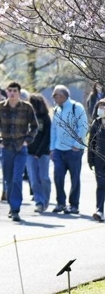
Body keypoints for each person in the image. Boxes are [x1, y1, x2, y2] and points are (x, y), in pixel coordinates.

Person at [0, 82, 38, 222]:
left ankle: (16, 209)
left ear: (19, 92)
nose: (12, 93)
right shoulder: (0, 107)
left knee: (17, 178)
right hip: (6, 148)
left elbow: (34, 126)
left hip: (20, 148)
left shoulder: (27, 107)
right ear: (6, 92)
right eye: (9, 90)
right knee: (9, 179)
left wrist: (27, 140)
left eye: (14, 91)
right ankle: (12, 206)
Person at [50, 85, 88, 214]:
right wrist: (52, 148)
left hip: (73, 151)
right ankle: (60, 203)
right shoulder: (56, 110)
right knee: (58, 177)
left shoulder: (76, 107)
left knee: (75, 178)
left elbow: (83, 127)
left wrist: (77, 145)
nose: (53, 98)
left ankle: (74, 205)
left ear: (61, 96)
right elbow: (54, 130)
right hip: (59, 150)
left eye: (55, 96)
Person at [26, 93, 52, 214]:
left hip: (43, 153)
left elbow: (47, 137)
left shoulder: (45, 118)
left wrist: (39, 152)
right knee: (34, 179)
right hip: (29, 153)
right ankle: (39, 202)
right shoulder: (27, 118)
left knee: (44, 177)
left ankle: (45, 200)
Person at [87, 98, 105, 222]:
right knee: (101, 185)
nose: (101, 109)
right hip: (99, 160)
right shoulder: (96, 123)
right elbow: (91, 143)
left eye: (103, 107)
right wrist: (90, 160)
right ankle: (99, 211)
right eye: (100, 107)